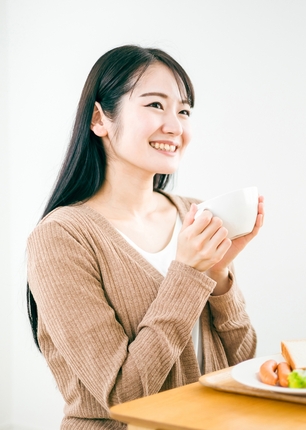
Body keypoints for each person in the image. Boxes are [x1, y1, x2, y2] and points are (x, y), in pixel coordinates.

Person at [26, 45, 264, 429]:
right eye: (155, 105)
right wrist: (188, 273)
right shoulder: (61, 237)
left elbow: (243, 367)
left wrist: (218, 277)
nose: (175, 126)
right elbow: (124, 397)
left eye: (183, 111)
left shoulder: (197, 214)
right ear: (99, 119)